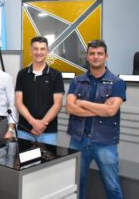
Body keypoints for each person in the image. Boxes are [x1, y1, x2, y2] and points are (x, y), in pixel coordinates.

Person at [66, 40, 126, 199]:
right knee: (76, 185)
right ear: (87, 56)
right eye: (92, 53)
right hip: (79, 140)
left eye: (100, 53)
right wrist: (101, 109)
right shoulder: (77, 81)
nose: (96, 57)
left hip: (105, 142)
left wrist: (83, 103)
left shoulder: (117, 83)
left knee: (112, 187)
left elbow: (112, 110)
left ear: (106, 56)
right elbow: (70, 108)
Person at [15, 36, 64, 145]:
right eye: (35, 48)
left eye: (42, 49)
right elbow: (18, 102)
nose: (39, 52)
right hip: (24, 131)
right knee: (25, 161)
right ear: (31, 51)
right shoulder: (22, 74)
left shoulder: (56, 75)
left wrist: (41, 125)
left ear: (47, 51)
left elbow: (57, 104)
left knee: (49, 161)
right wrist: (33, 122)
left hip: (48, 133)